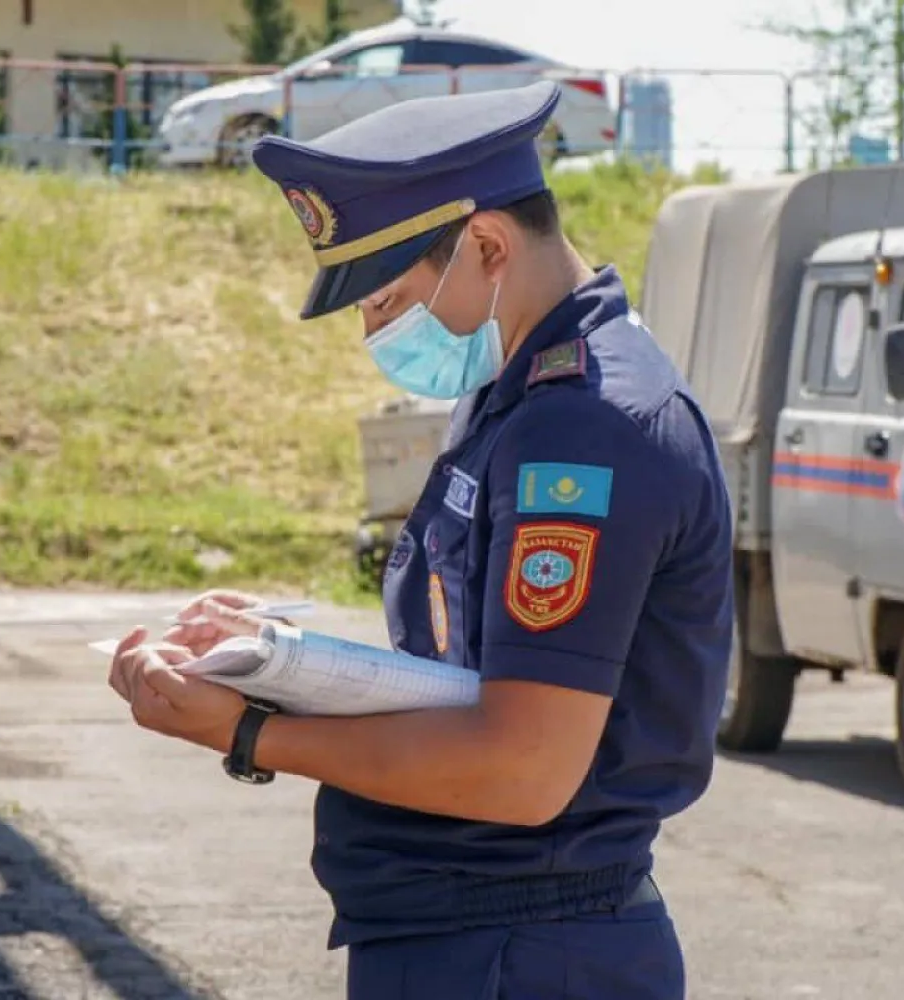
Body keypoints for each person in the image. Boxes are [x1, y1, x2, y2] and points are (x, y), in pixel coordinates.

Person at [107, 80, 734, 999]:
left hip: (526, 952)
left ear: (485, 245)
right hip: (483, 936)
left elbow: (520, 767)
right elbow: (482, 671)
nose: (376, 333)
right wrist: (279, 660)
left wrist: (251, 732)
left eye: (387, 302)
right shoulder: (513, 397)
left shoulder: (586, 428)